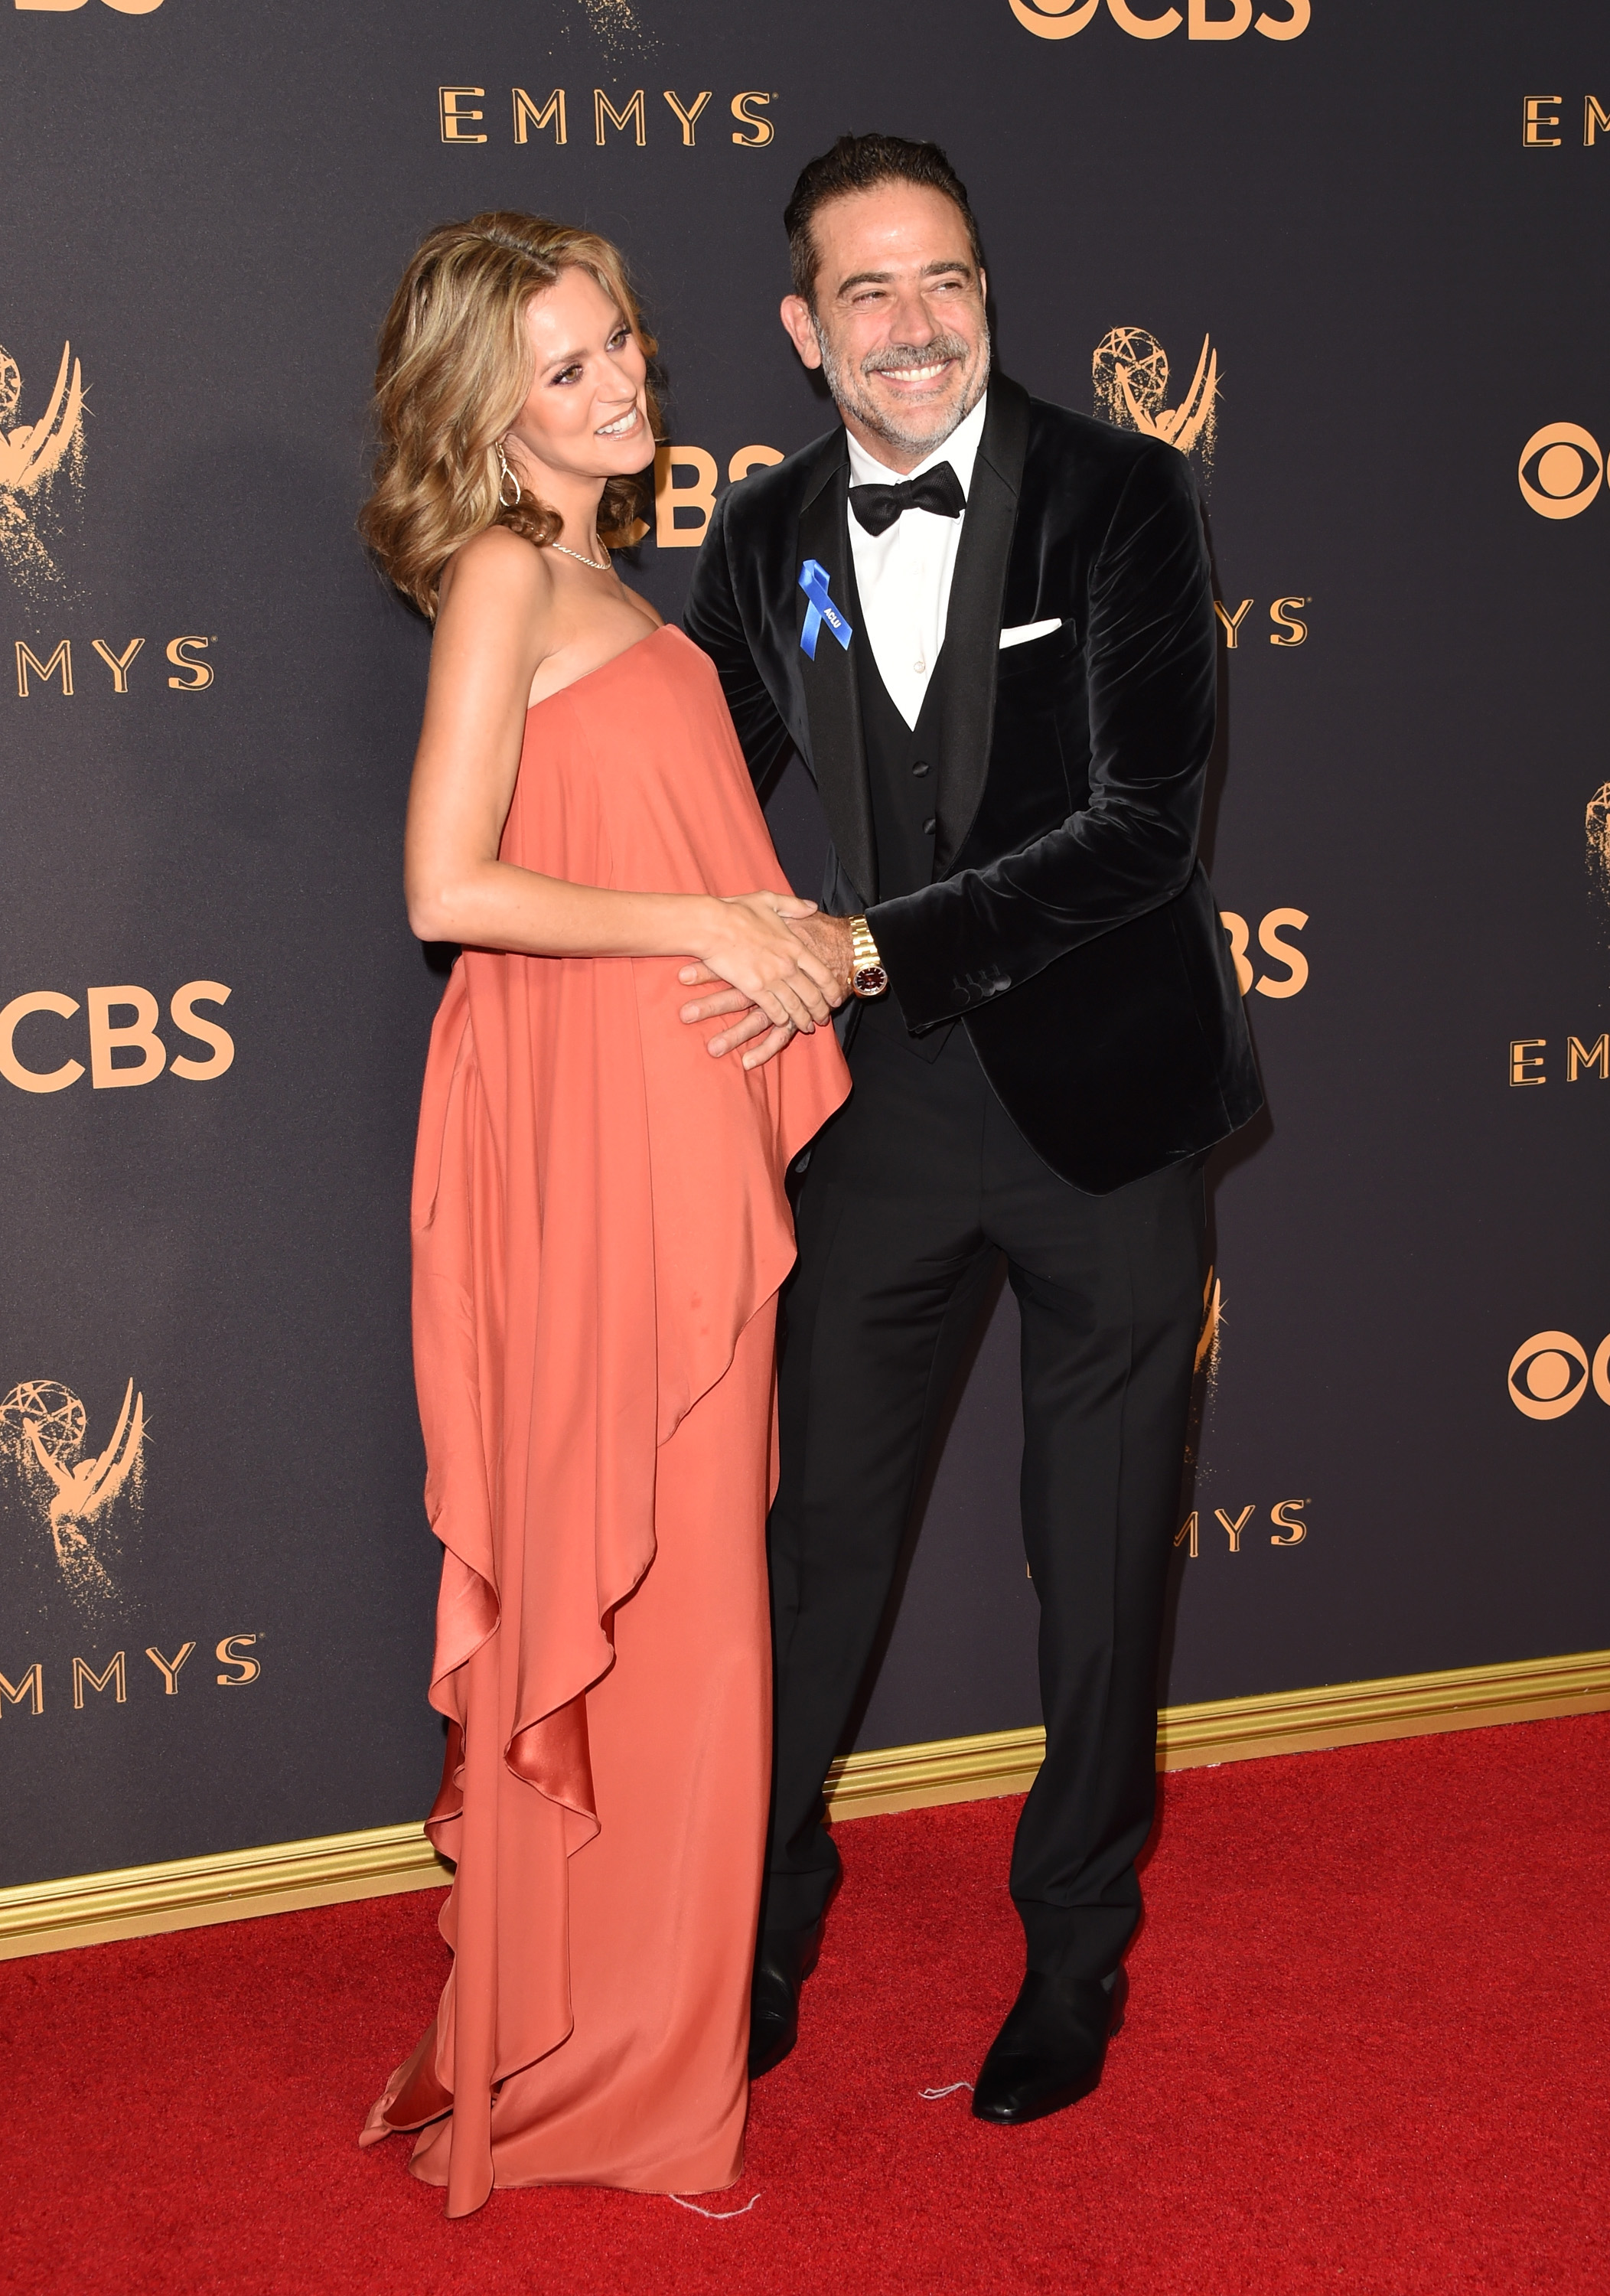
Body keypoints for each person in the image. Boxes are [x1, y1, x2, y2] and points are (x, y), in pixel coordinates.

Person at [681, 135, 1262, 2125]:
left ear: (984, 291)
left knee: (1100, 1575)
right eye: (869, 291)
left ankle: (1074, 1961)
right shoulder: (763, 546)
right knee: (803, 1554)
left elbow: (1137, 834)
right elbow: (682, 790)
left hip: (1108, 1112)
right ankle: (752, 1929)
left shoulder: (1119, 494)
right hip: (889, 1127)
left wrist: (857, 943)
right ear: (799, 328)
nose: (916, 324)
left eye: (945, 280)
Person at [355, 211, 849, 2217]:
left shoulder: (593, 574)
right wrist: (712, 924)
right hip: (575, 1139)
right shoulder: (499, 574)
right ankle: (606, 2080)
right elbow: (444, 890)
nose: (622, 380)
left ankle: (610, 2047)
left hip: (657, 1130)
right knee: (653, 1610)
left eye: (622, 341)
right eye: (567, 367)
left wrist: (792, 944)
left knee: (692, 1614)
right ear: (491, 410)